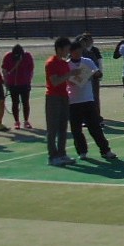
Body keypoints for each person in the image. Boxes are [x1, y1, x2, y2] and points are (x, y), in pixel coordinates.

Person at [67, 39, 116, 161]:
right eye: (75, 52)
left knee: (95, 128)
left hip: (88, 100)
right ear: (71, 52)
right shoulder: (67, 64)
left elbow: (98, 73)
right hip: (73, 101)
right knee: (76, 130)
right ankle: (82, 151)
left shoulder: (87, 61)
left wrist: (93, 74)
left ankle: (105, 150)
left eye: (79, 51)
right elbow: (66, 81)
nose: (78, 54)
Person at [43, 36, 73, 166]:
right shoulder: (51, 63)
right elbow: (54, 81)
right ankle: (52, 156)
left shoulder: (64, 63)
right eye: (66, 49)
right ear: (59, 49)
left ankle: (62, 153)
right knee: (53, 128)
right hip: (53, 98)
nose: (68, 52)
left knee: (63, 127)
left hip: (64, 96)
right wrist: (70, 75)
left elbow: (67, 80)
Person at [1, 42, 35, 130]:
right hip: (13, 84)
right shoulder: (8, 56)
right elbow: (4, 69)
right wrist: (6, 81)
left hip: (25, 84)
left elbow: (31, 70)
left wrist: (29, 81)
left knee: (25, 102)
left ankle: (26, 121)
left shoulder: (27, 56)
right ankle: (16, 121)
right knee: (15, 103)